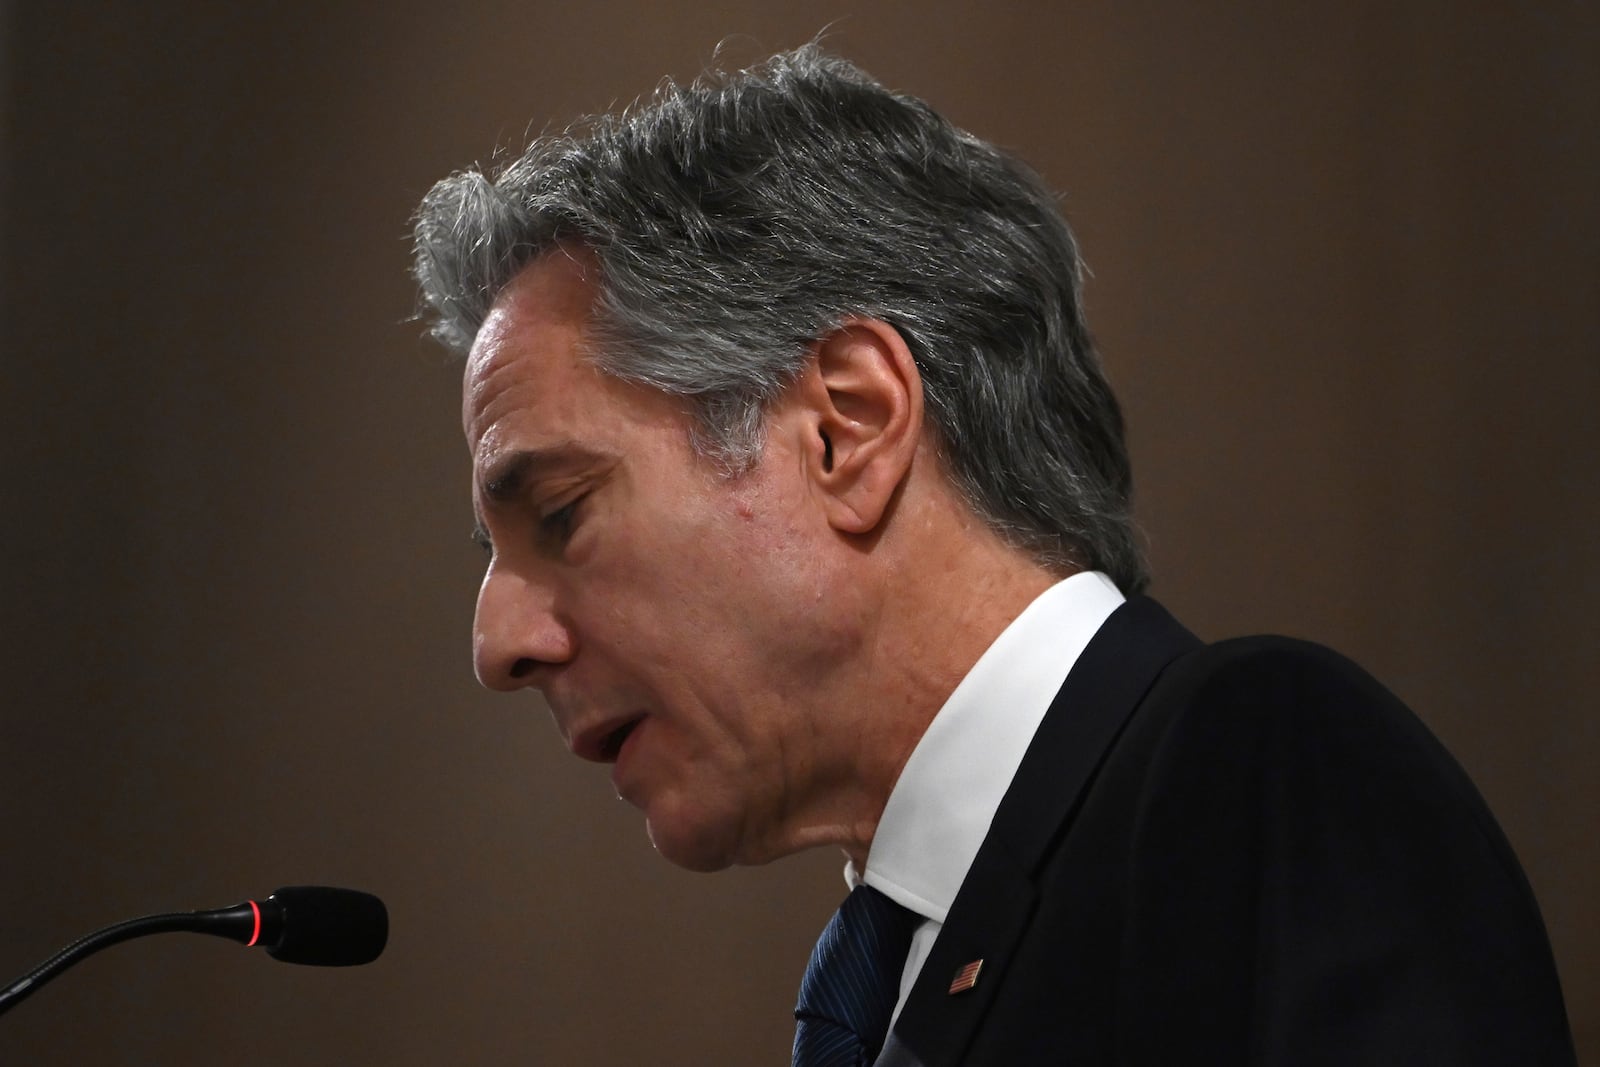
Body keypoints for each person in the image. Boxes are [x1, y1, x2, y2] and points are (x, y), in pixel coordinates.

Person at [411, 45, 1575, 1066]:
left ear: (846, 427)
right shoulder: (890, 977)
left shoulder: (1259, 772)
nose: (497, 643)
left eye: (559, 511)